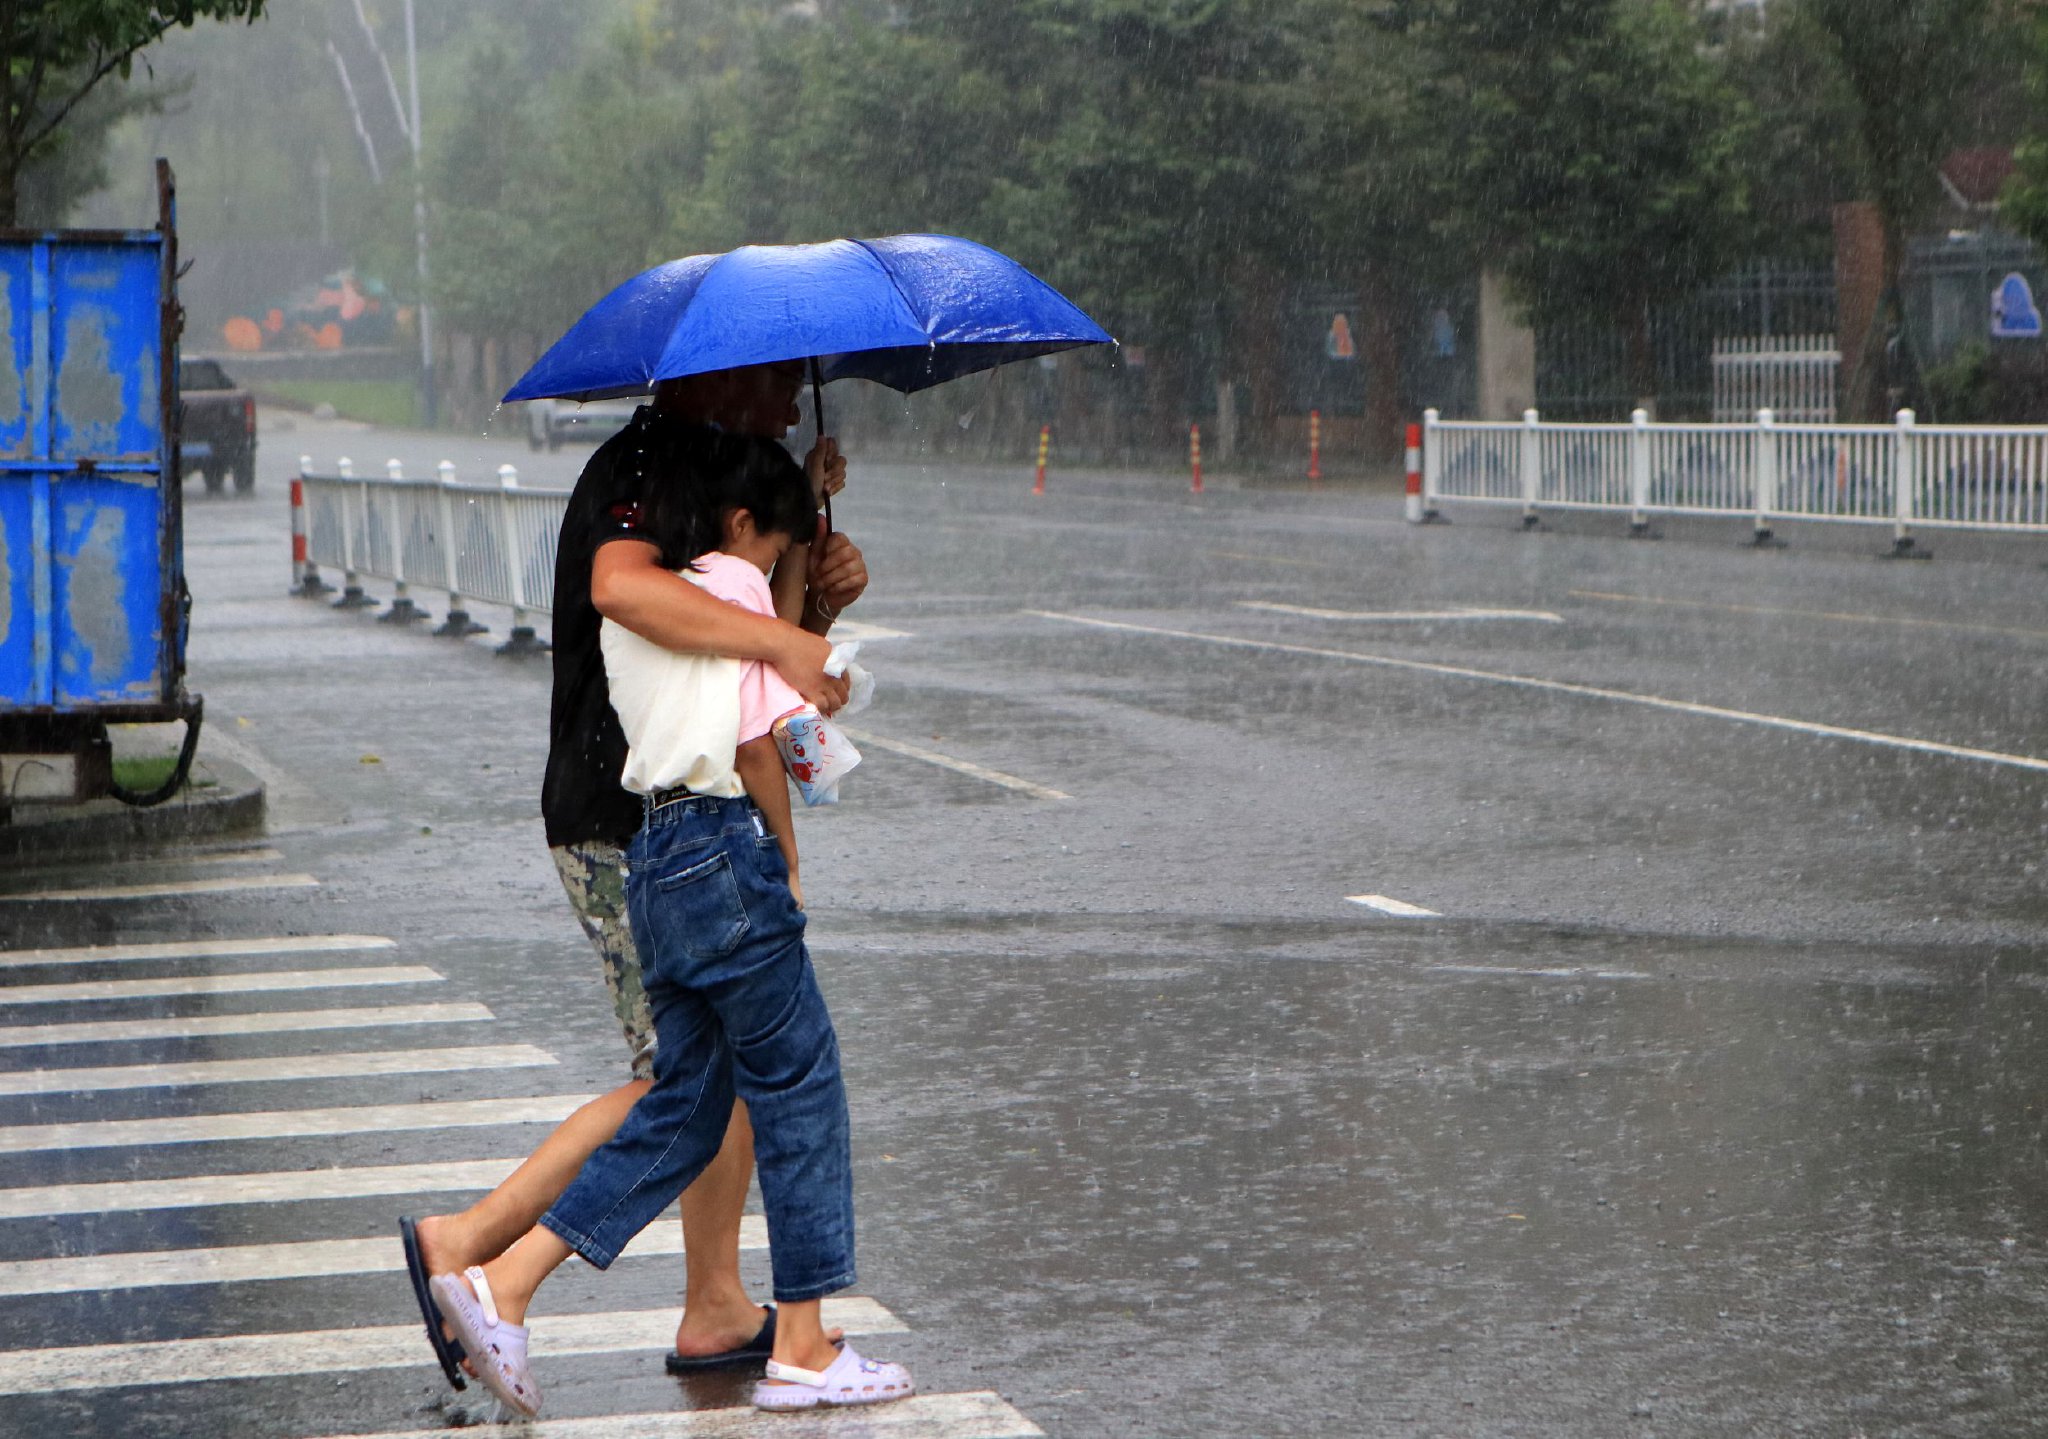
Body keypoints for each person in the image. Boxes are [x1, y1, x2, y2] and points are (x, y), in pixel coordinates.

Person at [401, 361, 866, 1388]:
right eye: (777, 376)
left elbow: (745, 674)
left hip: (670, 819)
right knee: (697, 1082)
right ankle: (473, 1242)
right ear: (721, 372)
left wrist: (810, 588)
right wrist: (786, 633)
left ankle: (703, 1300)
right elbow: (624, 588)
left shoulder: (722, 470)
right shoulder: (645, 461)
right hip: (634, 816)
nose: (794, 398)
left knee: (706, 1078)